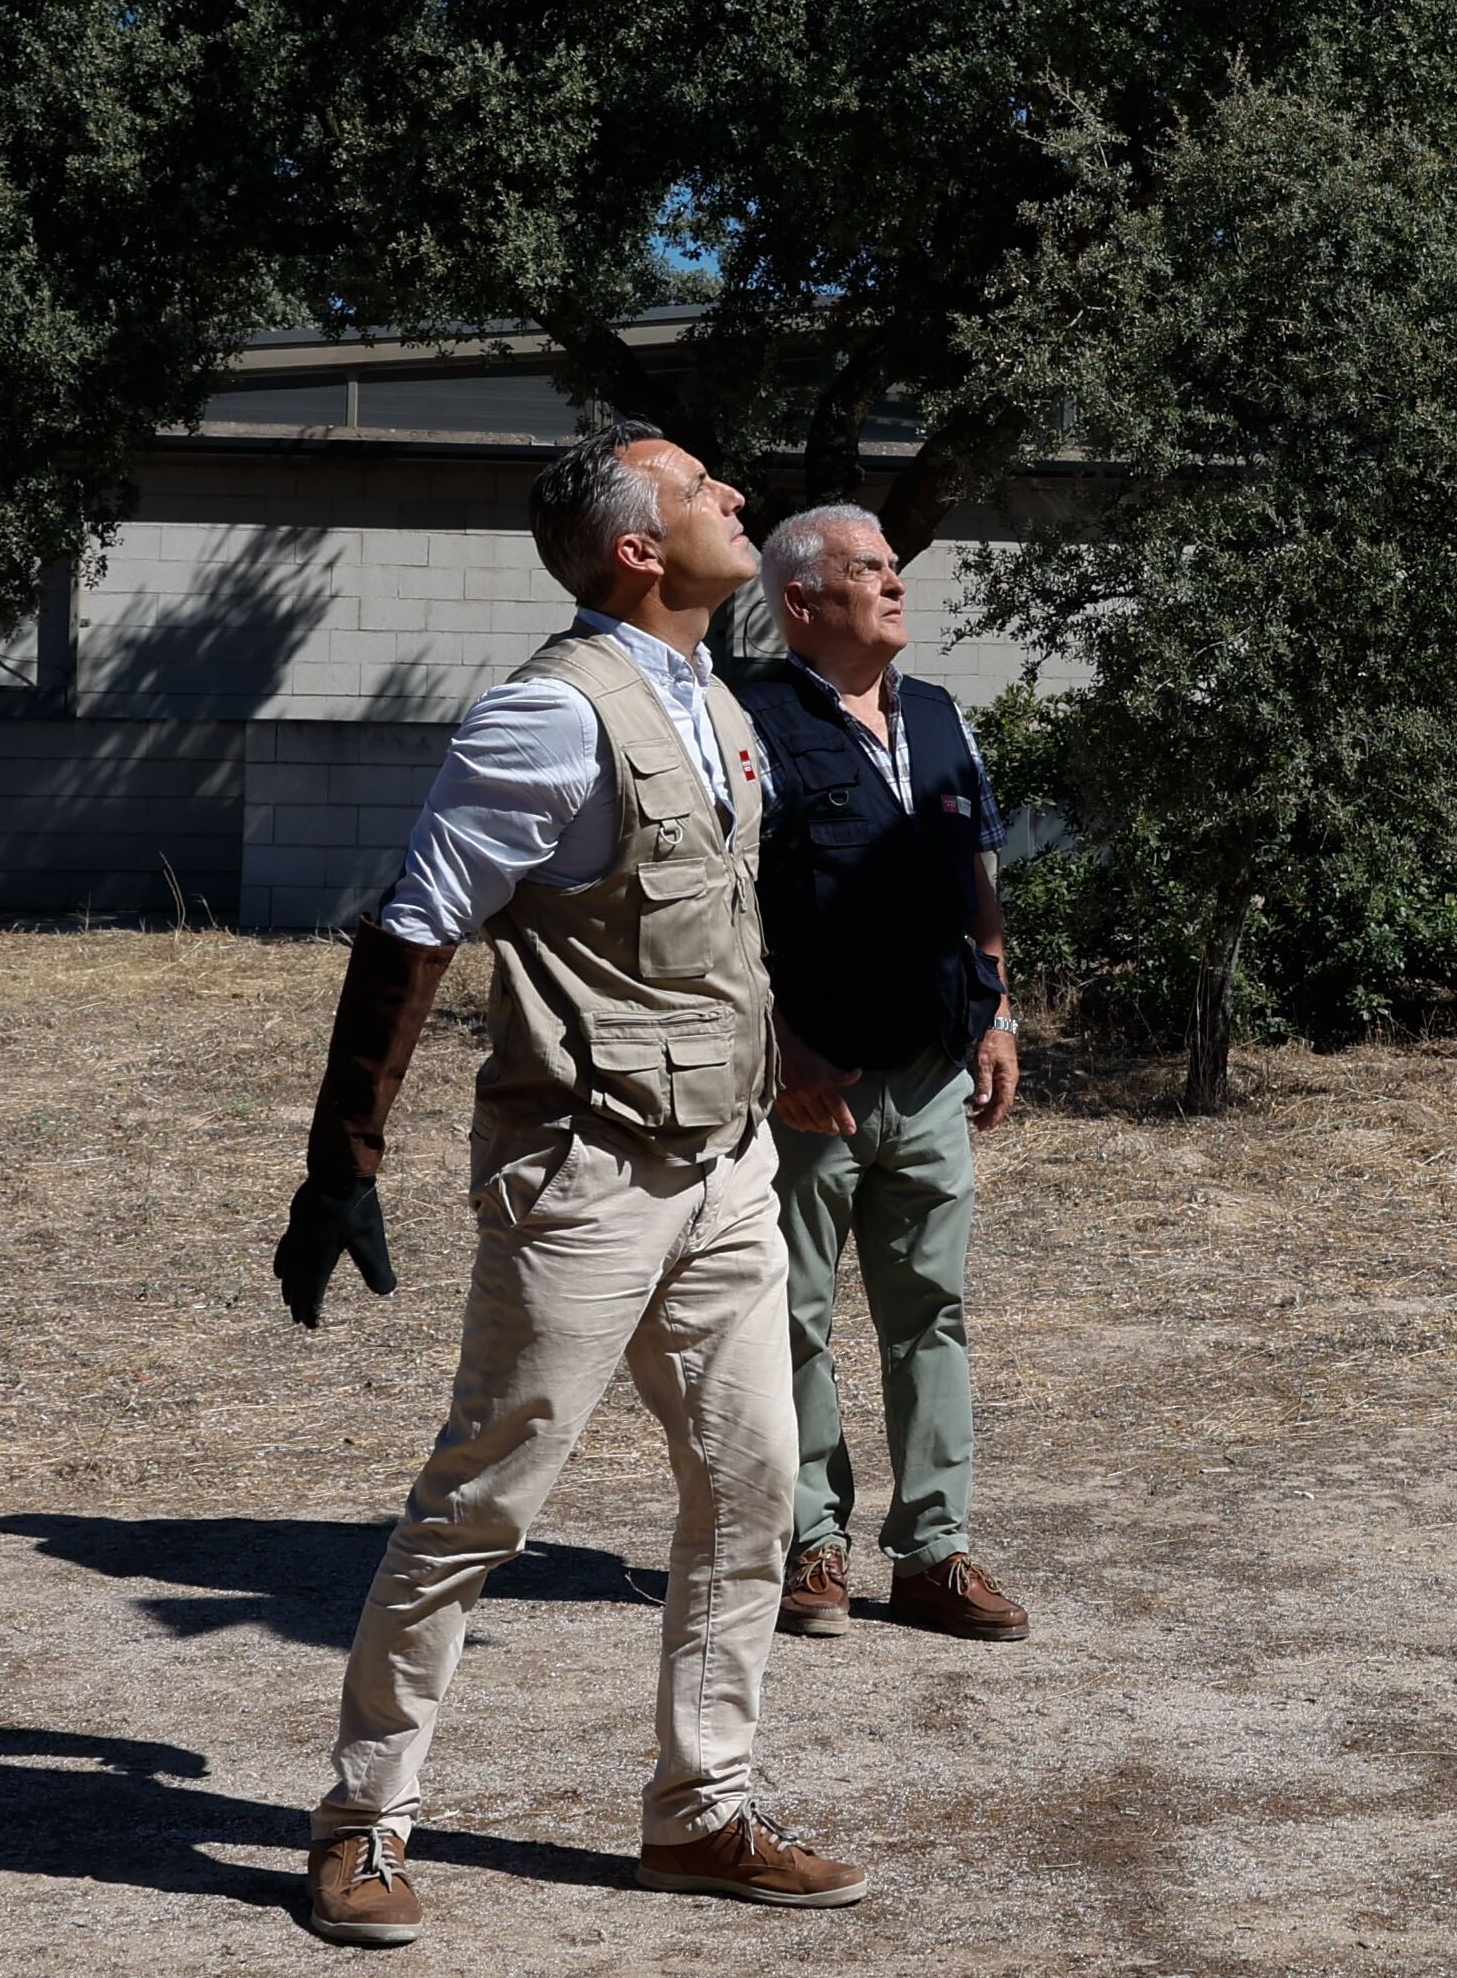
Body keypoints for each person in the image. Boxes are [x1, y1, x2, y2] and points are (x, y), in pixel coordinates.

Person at [268, 424, 876, 1947]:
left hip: (729, 1168)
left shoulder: (717, 705)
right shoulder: (545, 719)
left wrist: (789, 1056)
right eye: (700, 488)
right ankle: (361, 1823)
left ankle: (704, 1816)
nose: (736, 494)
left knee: (751, 1490)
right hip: (583, 1176)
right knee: (481, 1505)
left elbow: (707, 930)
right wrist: (343, 1160)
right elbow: (415, 925)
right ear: (639, 549)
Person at [732, 502, 1033, 1645]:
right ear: (803, 601)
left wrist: (996, 1011)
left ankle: (934, 1555)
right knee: (791, 1318)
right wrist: (778, 1051)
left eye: (894, 567)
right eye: (870, 569)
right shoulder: (745, 721)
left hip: (931, 1074)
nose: (896, 582)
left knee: (932, 1317)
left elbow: (977, 886)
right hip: (811, 1082)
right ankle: (812, 1541)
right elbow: (719, 911)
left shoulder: (942, 717)